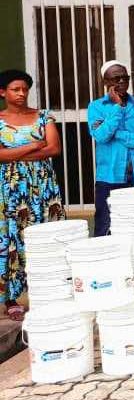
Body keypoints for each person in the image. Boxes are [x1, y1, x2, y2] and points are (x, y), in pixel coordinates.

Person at [0, 69, 65, 321]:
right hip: (11, 189)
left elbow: (54, 148)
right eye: (15, 89)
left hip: (44, 188)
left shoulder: (43, 115)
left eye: (24, 89)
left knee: (48, 237)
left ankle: (48, 292)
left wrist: (15, 152)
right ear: (3, 92)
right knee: (13, 237)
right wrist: (33, 145)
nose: (21, 93)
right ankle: (12, 298)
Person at [88, 60, 134, 237]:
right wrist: (118, 107)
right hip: (109, 176)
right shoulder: (96, 107)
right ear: (105, 82)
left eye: (124, 78)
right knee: (106, 225)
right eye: (115, 78)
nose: (121, 82)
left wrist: (119, 134)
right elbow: (101, 136)